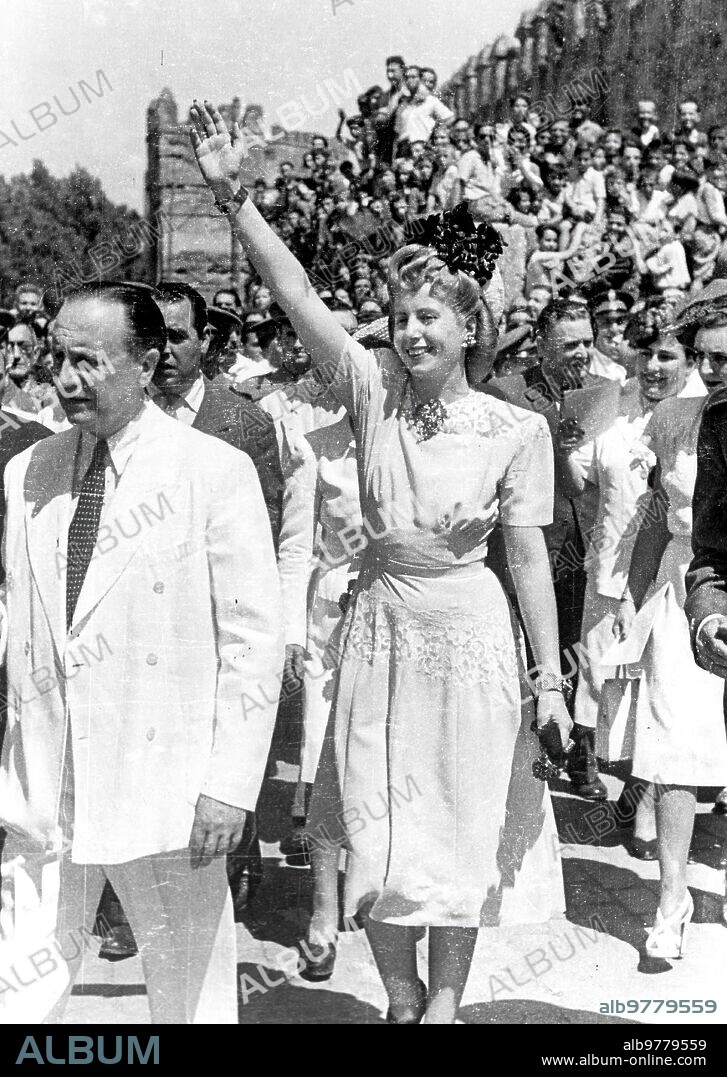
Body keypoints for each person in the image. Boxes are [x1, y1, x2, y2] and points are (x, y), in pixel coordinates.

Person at [191, 100, 569, 1026]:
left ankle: (443, 1005)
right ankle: (400, 999)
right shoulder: (370, 394)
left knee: (454, 828)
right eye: (400, 316)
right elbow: (300, 300)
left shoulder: (518, 428)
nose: (409, 332)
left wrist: (549, 679)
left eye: (430, 317)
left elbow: (525, 557)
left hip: (471, 637)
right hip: (377, 628)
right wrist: (235, 201)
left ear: (470, 325)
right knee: (378, 827)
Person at [0, 282, 283, 1022]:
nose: (64, 379)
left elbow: (253, 642)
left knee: (188, 991)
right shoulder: (28, 472)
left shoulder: (213, 473)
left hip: (168, 786)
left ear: (148, 361)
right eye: (58, 357)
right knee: (17, 984)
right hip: (46, 778)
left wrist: (229, 784)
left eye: (87, 361)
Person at [610, 307, 727, 961]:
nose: (709, 371)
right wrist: (632, 595)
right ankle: (671, 899)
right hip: (684, 583)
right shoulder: (675, 419)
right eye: (701, 357)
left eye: (723, 358)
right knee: (675, 745)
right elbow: (655, 511)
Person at [152, 282, 282, 547]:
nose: (164, 348)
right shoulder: (118, 412)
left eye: (176, 336)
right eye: (154, 335)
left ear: (204, 341)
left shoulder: (248, 422)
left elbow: (263, 527)